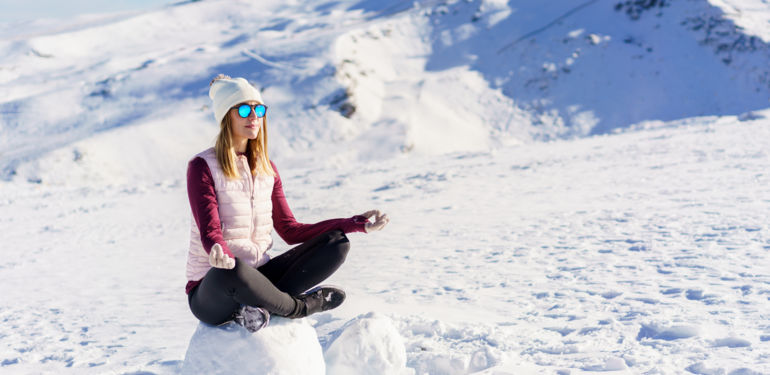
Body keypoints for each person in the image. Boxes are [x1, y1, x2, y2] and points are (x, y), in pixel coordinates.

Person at [185, 74, 389, 332]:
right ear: (227, 116)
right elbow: (209, 229)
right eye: (244, 109)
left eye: (258, 109)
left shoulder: (267, 169)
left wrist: (355, 224)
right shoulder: (202, 167)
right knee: (232, 270)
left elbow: (291, 230)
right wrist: (217, 249)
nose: (254, 117)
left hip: (260, 276)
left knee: (336, 243)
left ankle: (259, 307)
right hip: (213, 288)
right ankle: (301, 307)